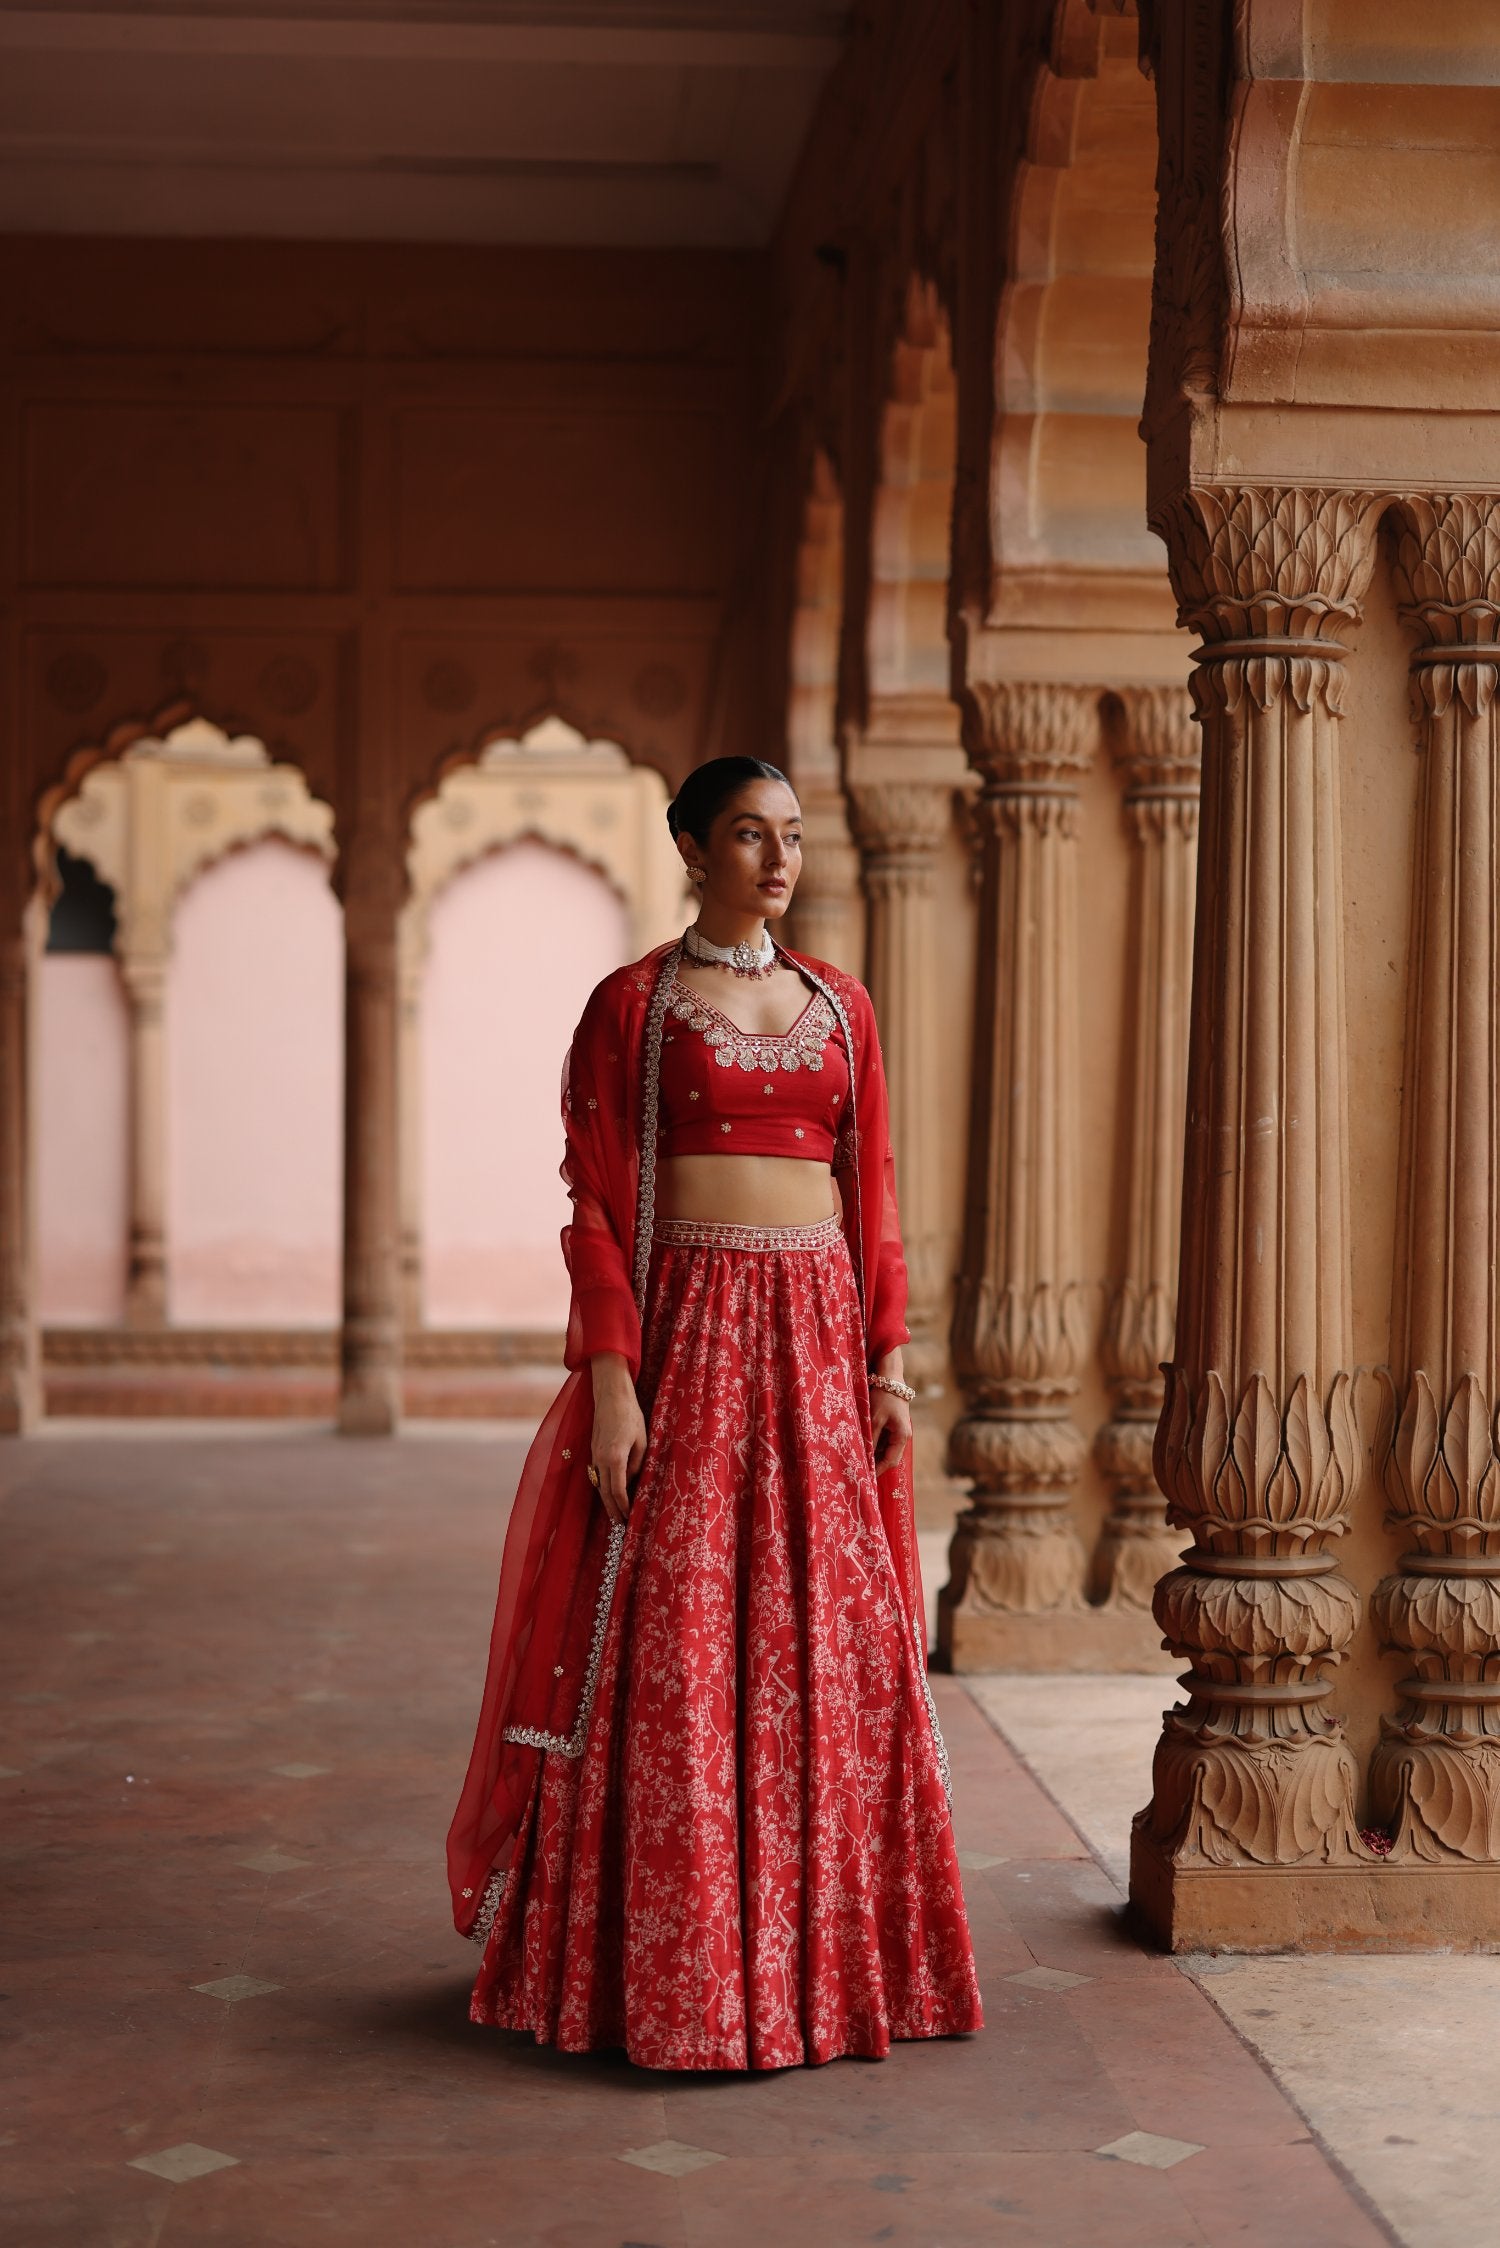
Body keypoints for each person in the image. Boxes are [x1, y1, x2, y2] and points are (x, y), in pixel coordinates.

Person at [447, 755, 983, 2071]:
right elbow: (596, 1210)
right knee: (680, 1640)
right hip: (687, 1346)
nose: (779, 857)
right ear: (694, 847)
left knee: (826, 1643)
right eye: (751, 833)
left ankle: (827, 1978)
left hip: (814, 1352)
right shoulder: (633, 1007)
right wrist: (616, 1382)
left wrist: (890, 1362)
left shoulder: (841, 1008)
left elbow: (877, 1199)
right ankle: (678, 1982)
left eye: (791, 835)